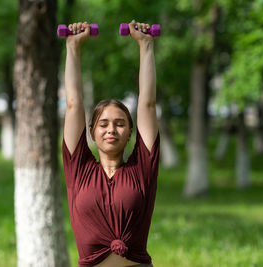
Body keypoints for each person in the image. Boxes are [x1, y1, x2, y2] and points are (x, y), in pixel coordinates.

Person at [62, 20, 159, 267]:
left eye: (119, 124)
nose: (111, 130)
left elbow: (147, 103)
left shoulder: (142, 168)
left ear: (129, 133)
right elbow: (73, 104)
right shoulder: (79, 169)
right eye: (103, 124)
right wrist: (73, 47)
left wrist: (146, 45)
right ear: (92, 132)